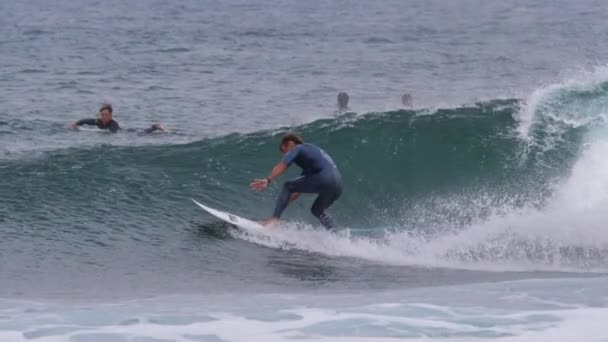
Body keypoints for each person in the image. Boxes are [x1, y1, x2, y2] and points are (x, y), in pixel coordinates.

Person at [250, 133, 343, 229]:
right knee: (317, 210)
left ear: (289, 144)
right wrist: (283, 202)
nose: (285, 155)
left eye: (284, 151)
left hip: (324, 177)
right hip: (337, 185)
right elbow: (297, 190)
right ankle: (334, 231)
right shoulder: (311, 152)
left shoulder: (298, 148)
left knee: (287, 185)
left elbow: (282, 165)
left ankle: (274, 220)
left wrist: (267, 180)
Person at [69, 104, 164, 133]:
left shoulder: (112, 124)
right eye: (102, 114)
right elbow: (85, 121)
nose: (104, 117)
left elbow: (115, 133)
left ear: (111, 115)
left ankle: (154, 127)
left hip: (126, 132)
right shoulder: (98, 121)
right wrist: (76, 123)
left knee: (141, 133)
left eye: (106, 115)